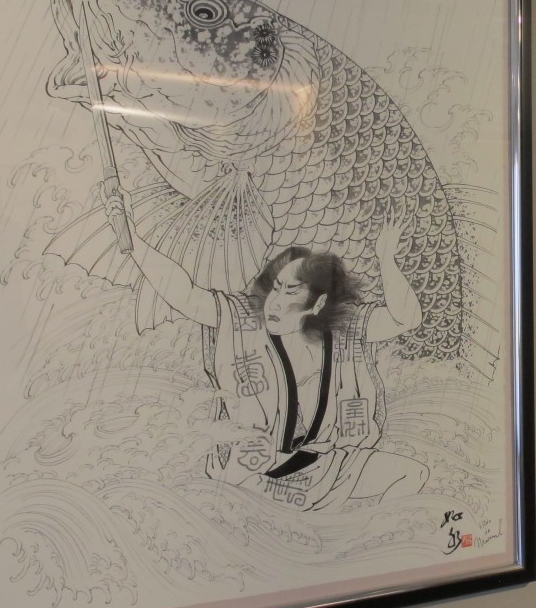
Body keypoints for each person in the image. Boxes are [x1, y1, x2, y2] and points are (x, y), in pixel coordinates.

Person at [106, 194, 429, 510]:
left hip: (328, 464)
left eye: (291, 291)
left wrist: (386, 259)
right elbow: (186, 295)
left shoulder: (345, 331)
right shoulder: (245, 321)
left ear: (318, 302)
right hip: (260, 471)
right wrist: (134, 241)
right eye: (277, 288)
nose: (275, 302)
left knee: (411, 474)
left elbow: (407, 318)